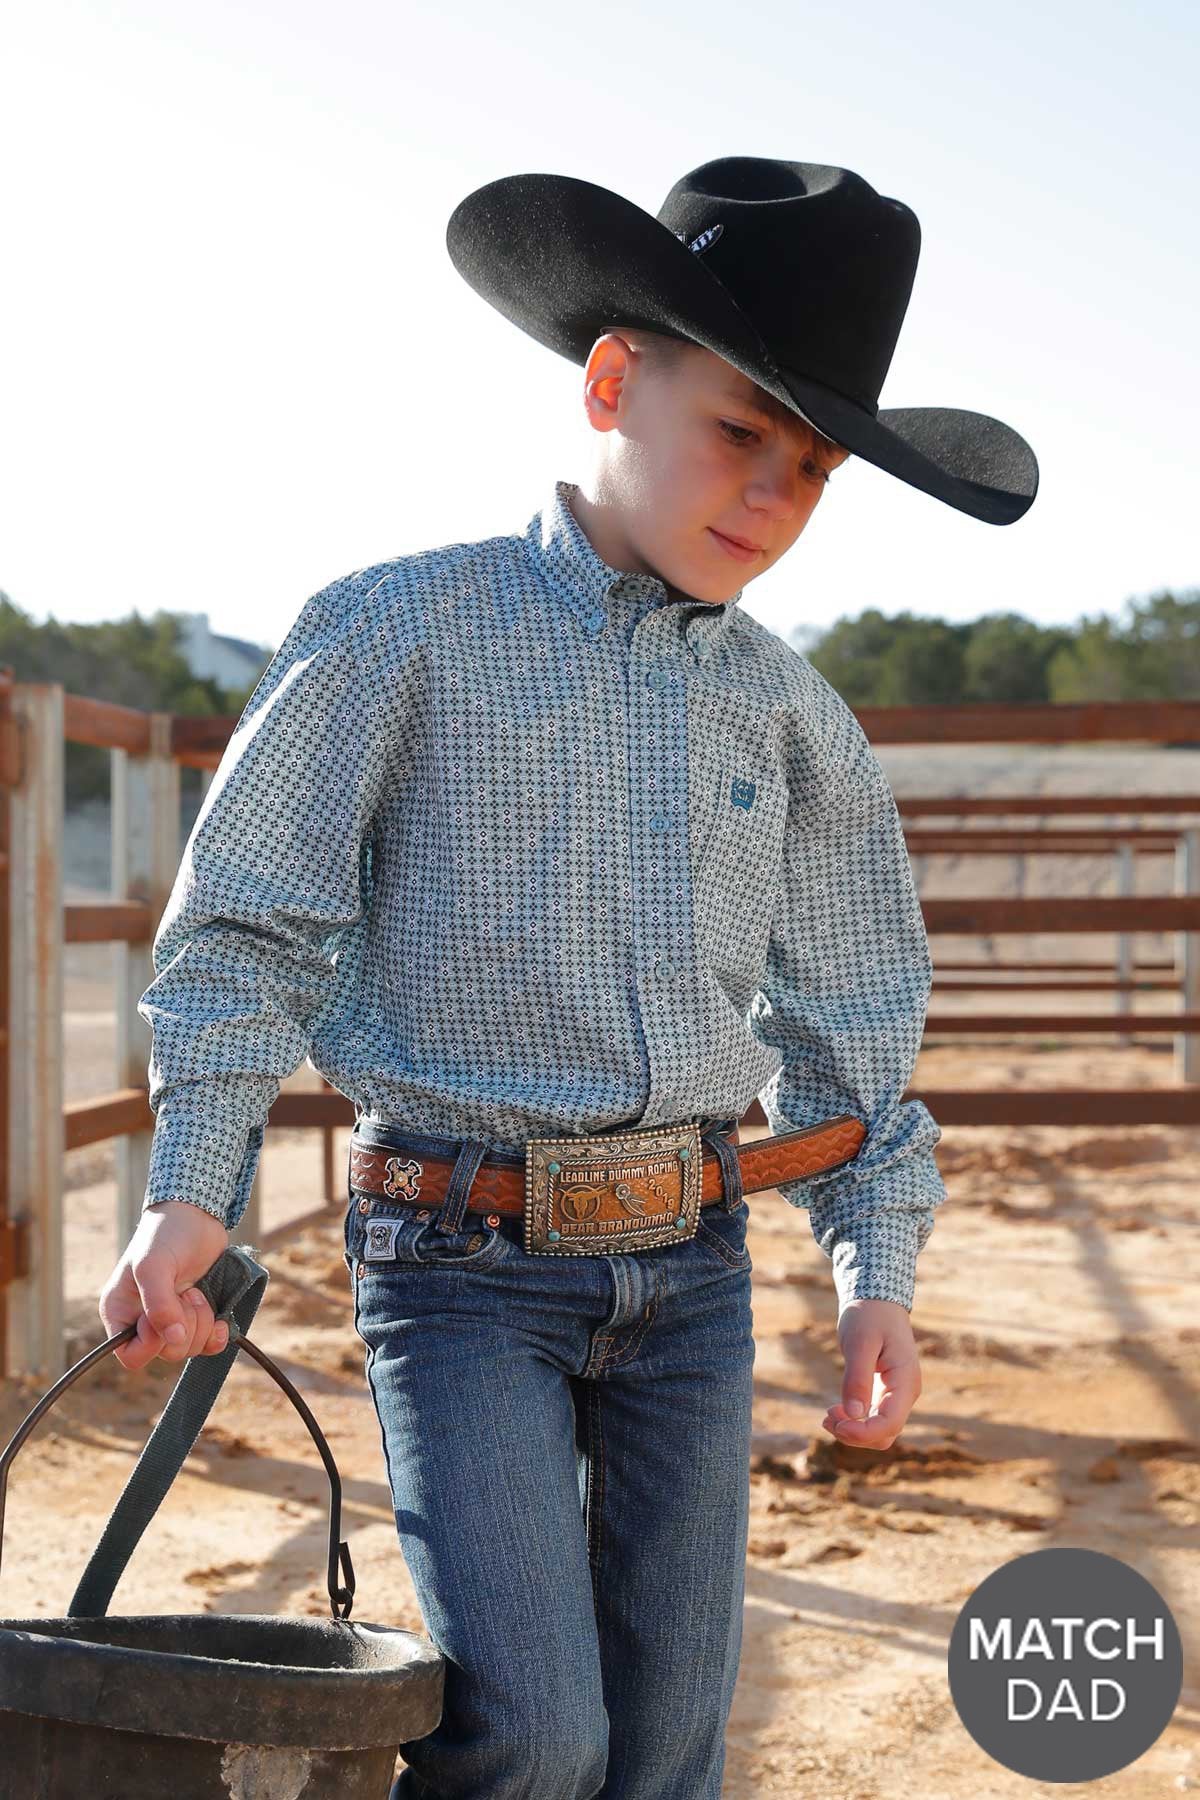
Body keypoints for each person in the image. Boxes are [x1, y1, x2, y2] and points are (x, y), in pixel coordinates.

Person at [99, 157, 1038, 1799]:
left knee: (668, 1751)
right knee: (533, 1735)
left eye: (813, 471)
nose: (770, 495)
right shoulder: (400, 630)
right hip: (460, 1265)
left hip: (695, 1271)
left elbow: (852, 1016)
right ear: (614, 380)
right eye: (741, 433)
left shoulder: (794, 715)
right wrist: (194, 1189)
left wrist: (873, 1265)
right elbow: (246, 923)